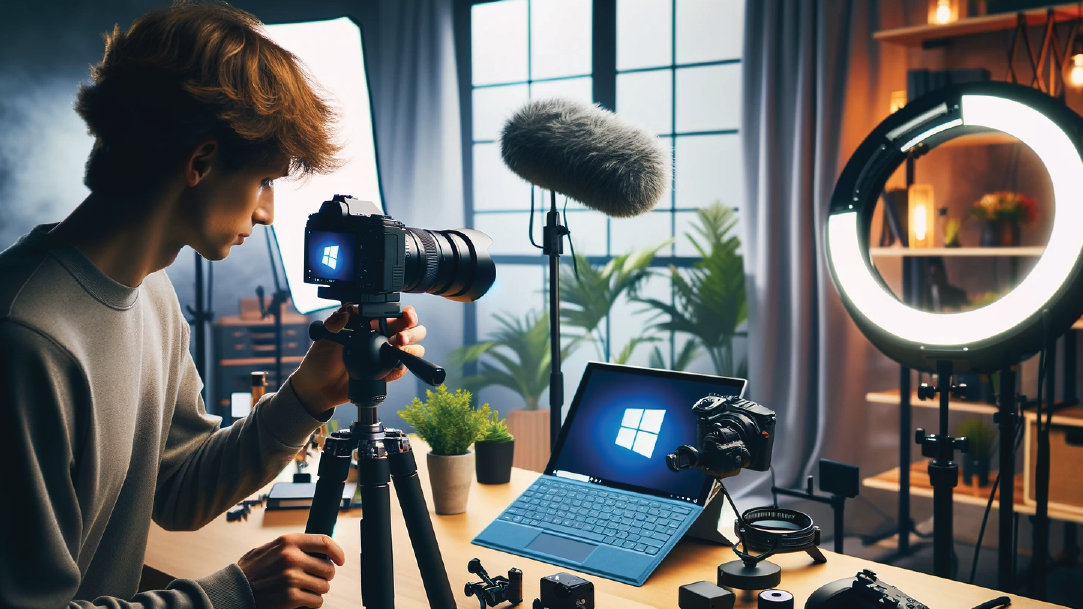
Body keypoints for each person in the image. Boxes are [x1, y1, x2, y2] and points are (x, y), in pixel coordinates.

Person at [0, 2, 426, 608]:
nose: (266, 212)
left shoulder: (150, 290)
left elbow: (175, 489)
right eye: (265, 181)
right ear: (200, 162)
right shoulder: (26, 340)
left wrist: (307, 394)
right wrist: (232, 595)